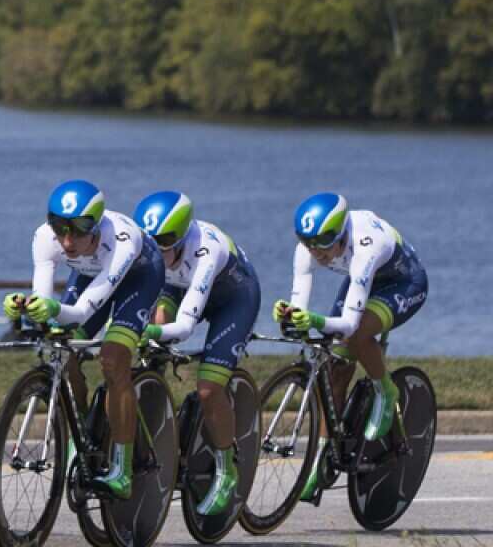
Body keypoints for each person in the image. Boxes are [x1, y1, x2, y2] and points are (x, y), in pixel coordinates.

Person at [2, 179, 164, 500]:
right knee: (61, 351)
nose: (66, 240)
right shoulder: (45, 238)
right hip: (90, 273)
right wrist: (27, 308)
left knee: (113, 359)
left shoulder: (122, 240)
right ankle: (82, 431)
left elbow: (81, 310)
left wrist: (51, 309)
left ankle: (122, 465)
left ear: (97, 225)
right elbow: (44, 302)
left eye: (77, 229)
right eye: (59, 227)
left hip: (139, 278)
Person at [274, 192, 427, 501]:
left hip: (402, 283)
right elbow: (299, 302)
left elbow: (348, 324)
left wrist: (314, 319)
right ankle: (323, 454)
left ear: (343, 232)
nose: (316, 251)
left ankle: (386, 390)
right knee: (335, 366)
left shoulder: (367, 244)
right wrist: (290, 315)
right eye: (308, 242)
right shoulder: (308, 249)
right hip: (362, 282)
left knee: (357, 337)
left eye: (325, 241)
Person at [134, 191, 261, 516]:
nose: (154, 250)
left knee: (208, 388)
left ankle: (226, 468)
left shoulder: (206, 250)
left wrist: (147, 331)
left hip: (232, 300)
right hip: (177, 286)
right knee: (150, 343)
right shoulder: (157, 250)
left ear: (180, 237)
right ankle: (151, 415)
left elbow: (185, 327)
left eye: (163, 242)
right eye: (148, 243)